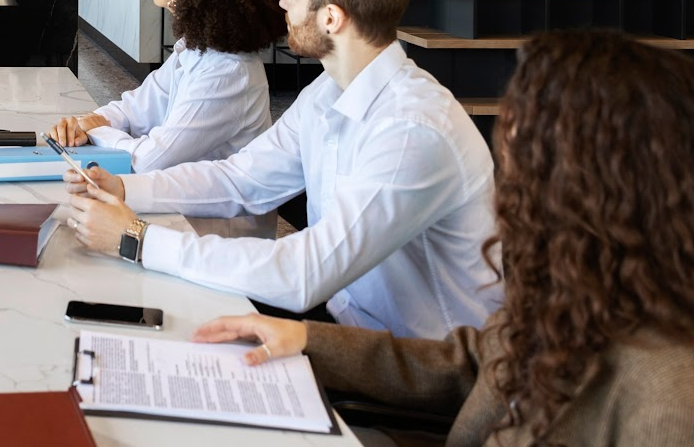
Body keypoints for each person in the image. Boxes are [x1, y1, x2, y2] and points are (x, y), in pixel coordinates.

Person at [193, 30, 694, 446]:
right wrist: (306, 339)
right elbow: (470, 361)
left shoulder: (667, 393)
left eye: (525, 139)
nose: (506, 151)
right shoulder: (581, 283)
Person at [64, 0, 501, 341]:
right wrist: (124, 187)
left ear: (331, 18)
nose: (281, 5)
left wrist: (137, 240)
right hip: (346, 322)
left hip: (420, 367)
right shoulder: (328, 91)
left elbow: (304, 274)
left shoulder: (411, 130)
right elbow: (240, 179)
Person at [49, 0, 284, 172]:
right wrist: (92, 121)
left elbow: (149, 160)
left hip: (201, 211)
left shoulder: (227, 73)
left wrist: (99, 131)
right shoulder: (196, 48)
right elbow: (136, 107)